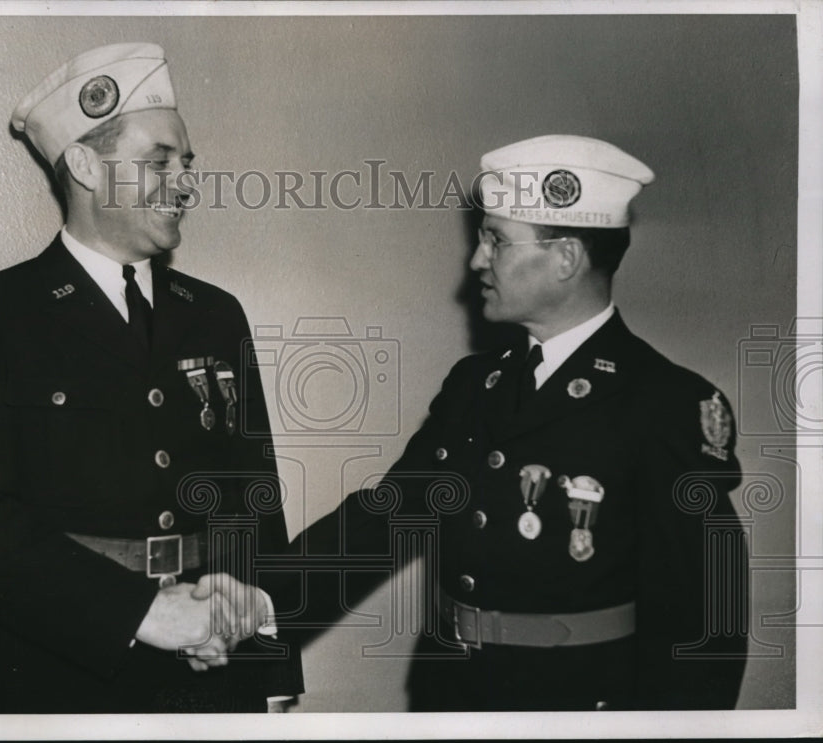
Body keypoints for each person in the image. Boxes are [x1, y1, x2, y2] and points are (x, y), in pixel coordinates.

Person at [236, 134, 749, 711]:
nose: (477, 259)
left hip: (578, 707)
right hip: (452, 695)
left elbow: (706, 622)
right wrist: (259, 597)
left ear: (565, 258)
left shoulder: (665, 403)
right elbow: (393, 512)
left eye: (495, 241)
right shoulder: (475, 385)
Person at [0, 42, 302, 713]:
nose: (186, 183)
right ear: (87, 166)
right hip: (55, 678)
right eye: (159, 162)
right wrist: (141, 612)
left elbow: (255, 504)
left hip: (214, 673)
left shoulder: (215, 314)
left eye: (187, 164)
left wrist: (272, 673)